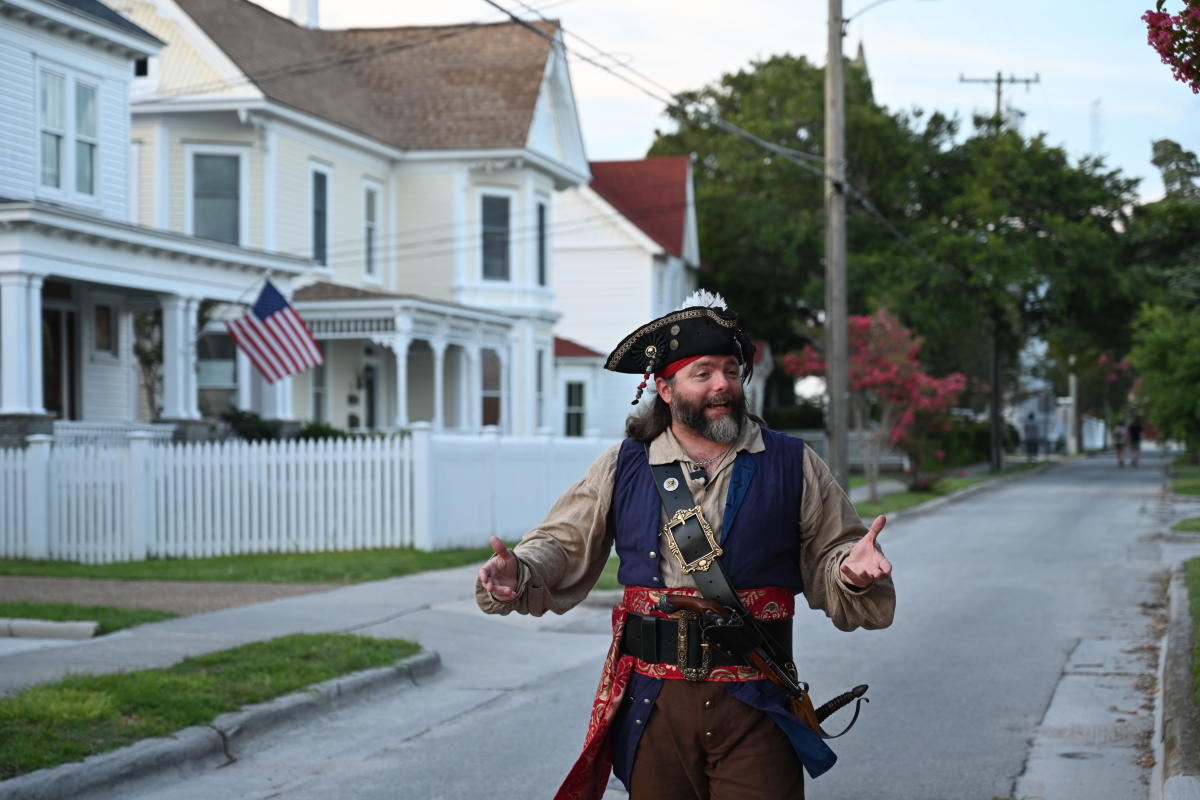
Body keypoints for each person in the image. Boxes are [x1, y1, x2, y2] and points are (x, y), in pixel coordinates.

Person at [476, 293, 895, 800]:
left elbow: (835, 553)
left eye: (731, 371)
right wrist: (518, 571)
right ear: (665, 389)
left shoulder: (793, 462)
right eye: (704, 372)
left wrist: (851, 570)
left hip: (756, 701)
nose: (722, 384)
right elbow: (561, 545)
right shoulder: (623, 466)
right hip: (655, 707)